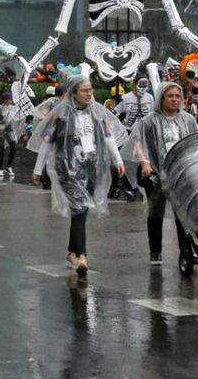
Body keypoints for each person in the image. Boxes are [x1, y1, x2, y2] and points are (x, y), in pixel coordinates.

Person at [30, 75, 127, 276]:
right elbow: (47, 142)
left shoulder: (97, 113)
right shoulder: (60, 115)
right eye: (84, 90)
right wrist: (38, 170)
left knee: (80, 210)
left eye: (90, 90)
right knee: (80, 206)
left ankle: (71, 253)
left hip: (91, 166)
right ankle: (81, 255)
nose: (89, 94)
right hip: (67, 168)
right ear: (73, 93)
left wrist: (118, 160)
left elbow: (108, 137)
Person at [125, 82, 198, 265]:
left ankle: (186, 250)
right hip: (157, 172)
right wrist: (144, 163)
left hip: (181, 173)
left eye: (177, 96)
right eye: (170, 96)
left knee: (182, 212)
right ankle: (155, 251)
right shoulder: (149, 121)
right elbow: (138, 143)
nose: (174, 99)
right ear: (161, 98)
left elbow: (197, 141)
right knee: (156, 211)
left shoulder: (188, 119)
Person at [0, 92, 23, 180]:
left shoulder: (13, 108)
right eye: (9, 99)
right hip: (0, 130)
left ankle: (8, 166)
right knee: (1, 149)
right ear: (5, 100)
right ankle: (1, 169)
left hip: (10, 130)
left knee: (13, 147)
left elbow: (18, 117)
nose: (11, 100)